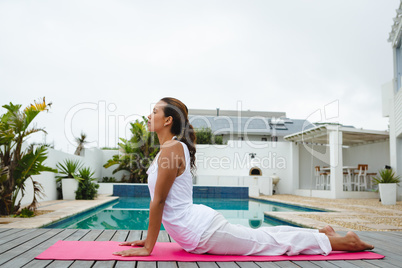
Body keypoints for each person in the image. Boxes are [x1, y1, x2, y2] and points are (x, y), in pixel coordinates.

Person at [113, 97, 374, 257]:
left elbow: (158, 202)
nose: (149, 115)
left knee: (267, 242)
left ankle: (342, 241)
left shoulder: (171, 148)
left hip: (201, 232)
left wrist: (149, 246)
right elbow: (163, 202)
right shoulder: (169, 148)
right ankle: (321, 233)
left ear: (168, 120)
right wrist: (148, 240)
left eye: (154, 112)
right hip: (196, 229)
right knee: (262, 237)